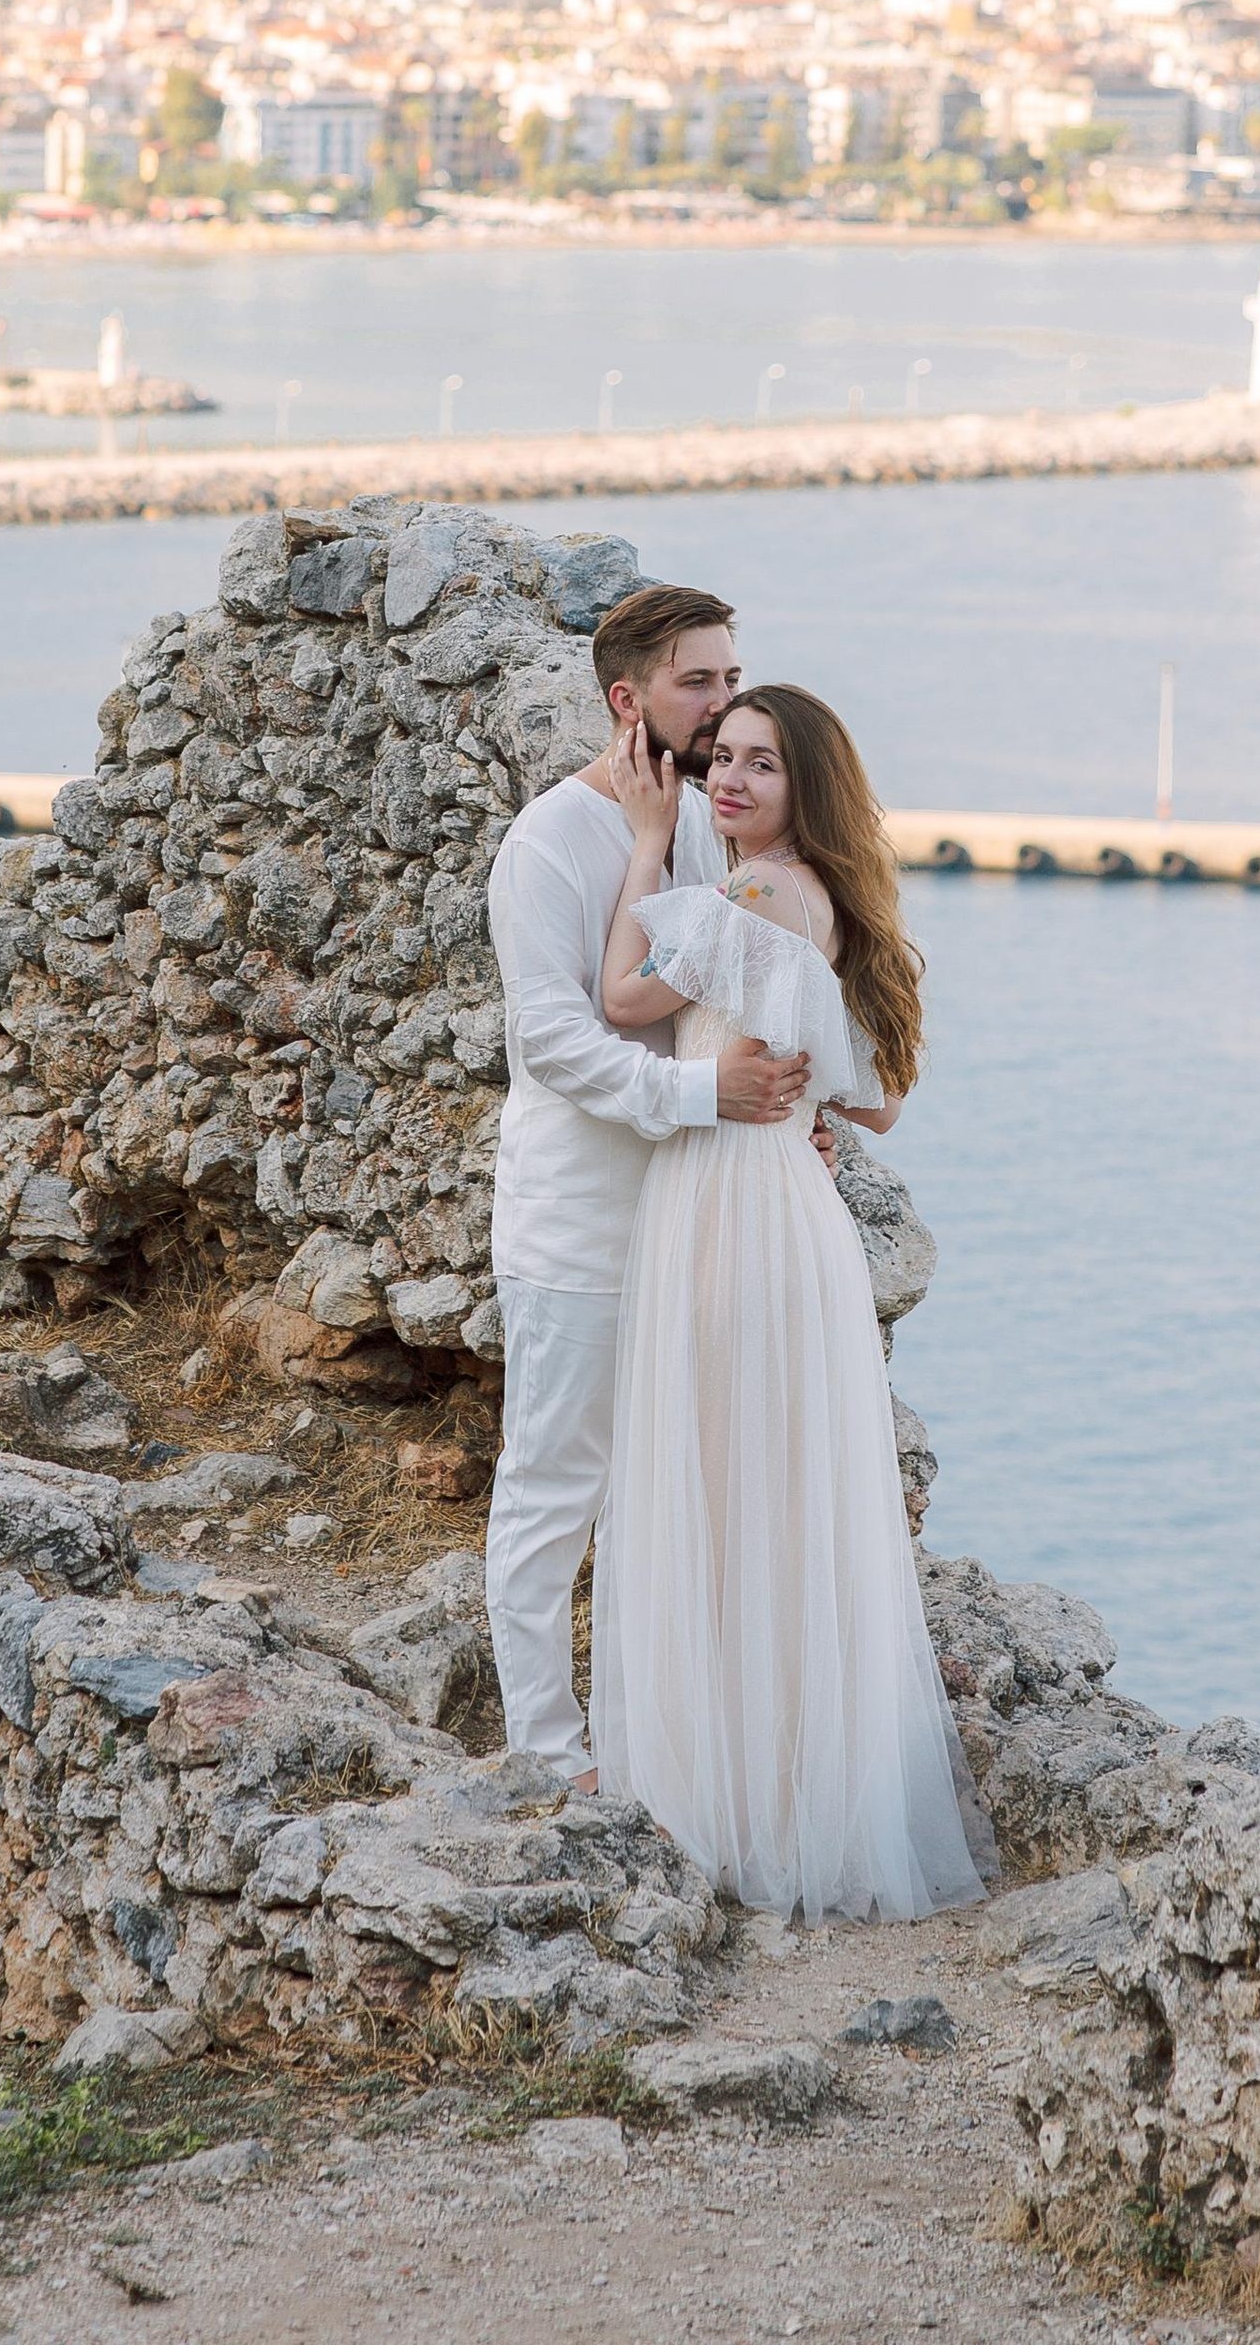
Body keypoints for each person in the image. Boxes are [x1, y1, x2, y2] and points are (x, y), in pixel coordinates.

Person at [588, 683, 985, 1923]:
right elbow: (877, 1103)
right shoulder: (821, 898)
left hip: (727, 1207)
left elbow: (620, 1002)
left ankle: (728, 1806)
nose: (731, 780)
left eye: (763, 764)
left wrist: (650, 843)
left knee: (716, 1487)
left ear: (807, 785)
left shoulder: (754, 892)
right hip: (778, 1204)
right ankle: (782, 1792)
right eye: (725, 759)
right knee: (774, 1495)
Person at [482, 584, 815, 1780]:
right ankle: (545, 1747)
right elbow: (555, 1042)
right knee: (553, 1489)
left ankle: (651, 1738)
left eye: (732, 677)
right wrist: (704, 1097)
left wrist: (786, 1110)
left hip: (692, 1221)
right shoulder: (547, 844)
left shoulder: (700, 824)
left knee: (668, 1492)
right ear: (627, 700)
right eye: (699, 683)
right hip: (578, 1225)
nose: (724, 704)